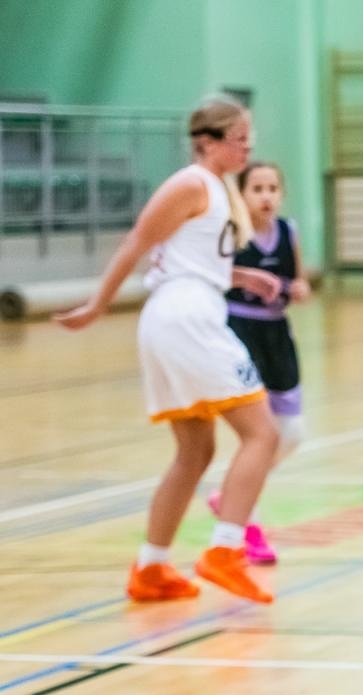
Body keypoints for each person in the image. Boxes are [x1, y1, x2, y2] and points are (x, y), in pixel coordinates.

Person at [56, 95, 279, 604]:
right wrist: (97, 305)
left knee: (195, 450)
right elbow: (138, 242)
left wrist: (244, 277)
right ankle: (224, 550)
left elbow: (192, 259)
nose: (247, 147)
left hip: (181, 315)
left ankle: (151, 568)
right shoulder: (191, 182)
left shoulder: (217, 189)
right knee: (261, 433)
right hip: (186, 319)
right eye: (239, 138)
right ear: (208, 141)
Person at [212, 160, 313, 564]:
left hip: (277, 335)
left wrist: (299, 288)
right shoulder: (232, 232)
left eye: (273, 188)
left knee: (292, 432)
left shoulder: (288, 232)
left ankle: (231, 495)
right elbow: (212, 276)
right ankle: (248, 527)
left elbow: (301, 280)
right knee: (260, 436)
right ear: (241, 194)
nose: (266, 195)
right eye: (257, 188)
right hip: (239, 333)